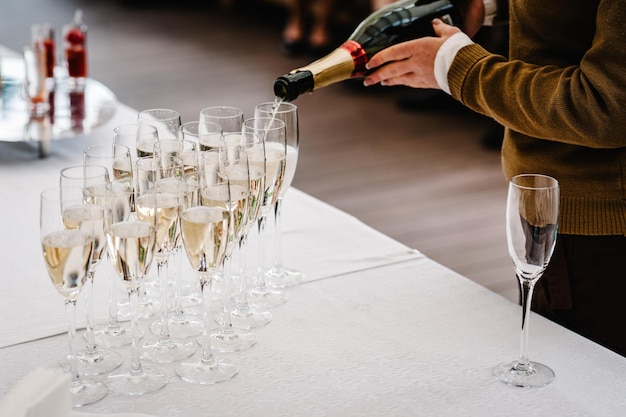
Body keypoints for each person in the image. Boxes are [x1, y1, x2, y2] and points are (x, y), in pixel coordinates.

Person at [363, 0, 626, 357]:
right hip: (544, 195)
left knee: (586, 380)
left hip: (601, 227)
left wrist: (459, 69)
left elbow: (606, 106)